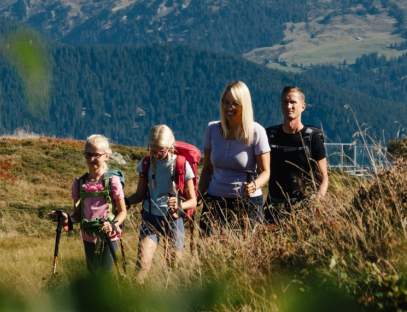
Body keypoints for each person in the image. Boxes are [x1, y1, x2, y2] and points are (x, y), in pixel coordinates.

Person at [125, 125, 197, 282]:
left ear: (170, 145)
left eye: (161, 151)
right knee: (142, 264)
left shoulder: (182, 165)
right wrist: (125, 202)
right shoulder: (145, 164)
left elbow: (193, 201)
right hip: (150, 218)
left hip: (174, 219)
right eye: (152, 150)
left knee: (174, 268)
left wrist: (179, 204)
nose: (156, 154)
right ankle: (135, 297)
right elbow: (139, 194)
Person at [198, 80, 271, 234]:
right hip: (214, 200)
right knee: (208, 251)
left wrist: (255, 185)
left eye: (235, 104)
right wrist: (197, 196)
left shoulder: (256, 132)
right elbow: (207, 169)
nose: (229, 108)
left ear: (244, 105)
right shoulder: (212, 129)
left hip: (247, 202)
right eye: (226, 102)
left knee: (244, 252)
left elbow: (266, 172)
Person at [51, 134, 127, 274]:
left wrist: (112, 225)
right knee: (92, 275)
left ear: (107, 156)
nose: (91, 159)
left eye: (96, 155)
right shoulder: (79, 183)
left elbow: (123, 212)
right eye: (87, 154)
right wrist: (67, 218)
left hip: (109, 236)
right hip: (88, 237)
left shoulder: (113, 182)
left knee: (103, 276)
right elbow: (77, 215)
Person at [265, 86, 329, 222]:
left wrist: (316, 201)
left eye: (293, 102)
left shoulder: (312, 139)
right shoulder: (269, 135)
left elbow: (324, 178)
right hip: (273, 209)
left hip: (303, 210)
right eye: (285, 102)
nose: (289, 106)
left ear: (303, 106)